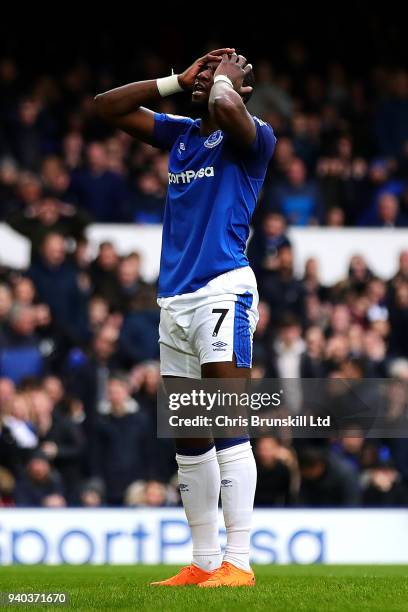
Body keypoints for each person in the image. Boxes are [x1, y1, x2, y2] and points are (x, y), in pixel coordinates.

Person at [95, 47, 276, 587]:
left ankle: (238, 563)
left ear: (241, 92)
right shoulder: (180, 134)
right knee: (190, 436)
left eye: (220, 78)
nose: (209, 83)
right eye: (207, 75)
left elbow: (226, 105)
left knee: (226, 423)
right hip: (174, 299)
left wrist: (225, 82)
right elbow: (105, 108)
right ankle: (202, 563)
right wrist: (177, 79)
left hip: (223, 288)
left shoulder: (254, 137)